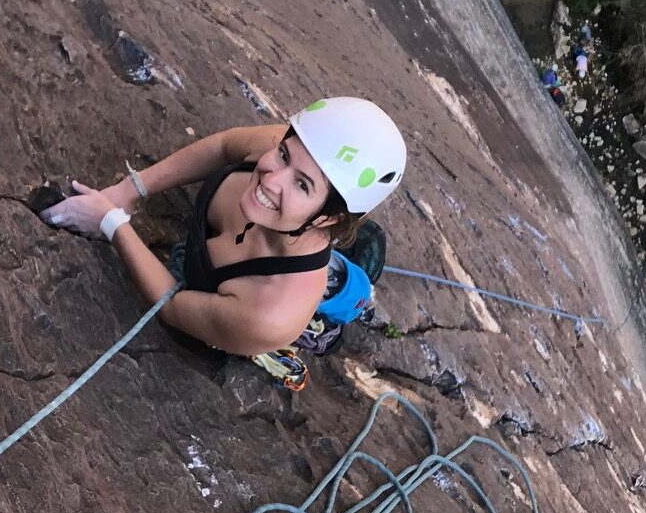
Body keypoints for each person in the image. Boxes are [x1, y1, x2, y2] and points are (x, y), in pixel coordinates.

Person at [42, 98, 406, 372]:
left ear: (329, 220)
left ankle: (348, 293)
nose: (270, 176)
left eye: (301, 184)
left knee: (345, 297)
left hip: (275, 295)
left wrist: (110, 222)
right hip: (295, 243)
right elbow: (222, 147)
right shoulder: (291, 150)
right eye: (283, 155)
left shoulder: (271, 312)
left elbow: (171, 307)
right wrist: (131, 189)